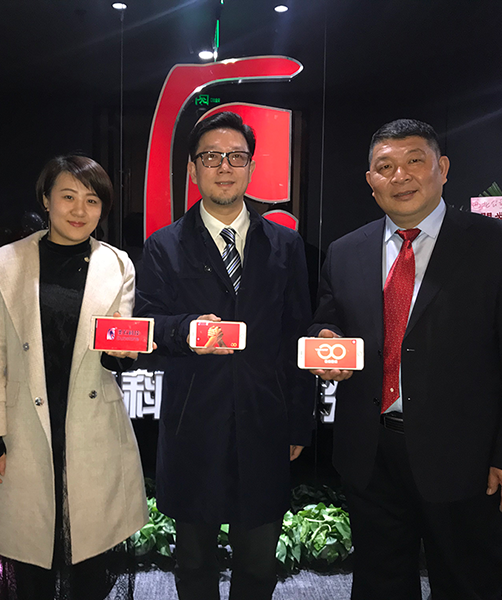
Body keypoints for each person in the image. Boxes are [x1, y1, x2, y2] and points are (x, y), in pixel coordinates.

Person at [310, 119, 502, 599]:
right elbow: (329, 319)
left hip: (465, 459)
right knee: (379, 584)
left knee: (466, 584)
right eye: (385, 167)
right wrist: (325, 338)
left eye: (414, 161)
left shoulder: (497, 245)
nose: (400, 175)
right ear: (370, 181)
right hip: (372, 454)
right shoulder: (345, 250)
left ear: (442, 168)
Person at [135, 111, 315, 600]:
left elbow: (297, 337)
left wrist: (299, 423)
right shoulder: (164, 246)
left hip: (264, 422)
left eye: (236, 156)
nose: (224, 167)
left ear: (251, 167)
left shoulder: (285, 245)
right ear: (193, 169)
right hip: (193, 423)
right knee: (194, 564)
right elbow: (147, 326)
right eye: (211, 156)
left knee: (258, 564)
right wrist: (187, 330)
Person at [0, 155, 148, 600]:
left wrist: (122, 357)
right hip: (24, 431)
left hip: (92, 430)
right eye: (68, 196)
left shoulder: (118, 265)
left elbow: (117, 338)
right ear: (46, 200)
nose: (79, 210)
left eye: (92, 200)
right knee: (32, 563)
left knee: (90, 565)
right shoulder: (6, 265)